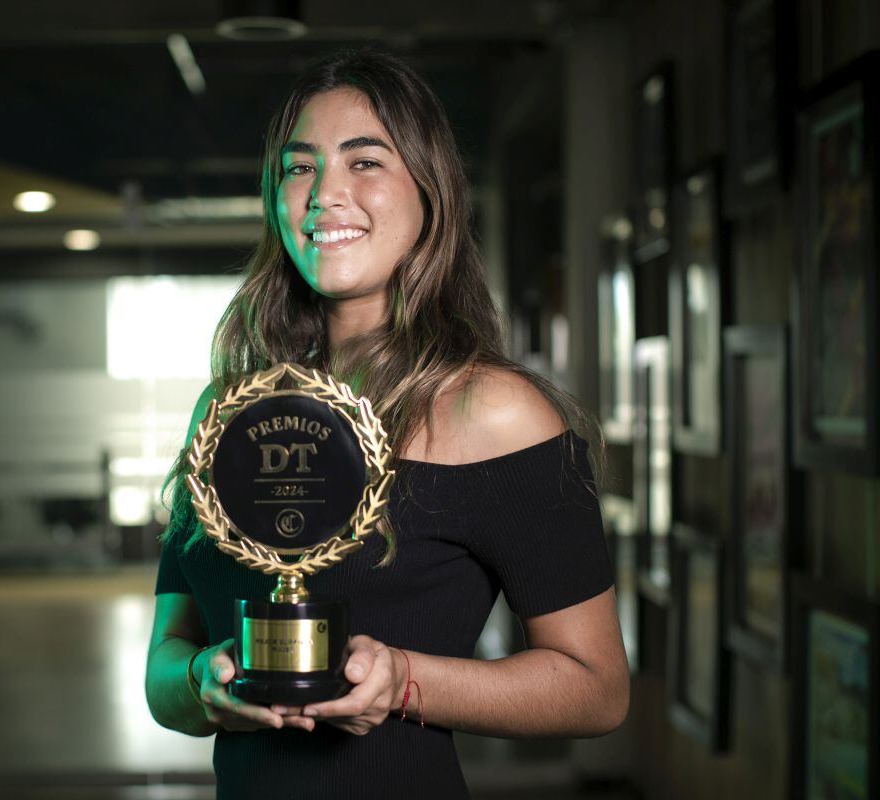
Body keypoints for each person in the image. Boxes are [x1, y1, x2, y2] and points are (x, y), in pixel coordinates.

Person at [144, 48, 629, 800]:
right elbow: (162, 672)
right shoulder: (229, 411)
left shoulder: (497, 413)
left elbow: (597, 690)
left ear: (429, 193)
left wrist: (403, 681)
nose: (325, 195)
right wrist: (204, 686)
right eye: (299, 169)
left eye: (364, 161)